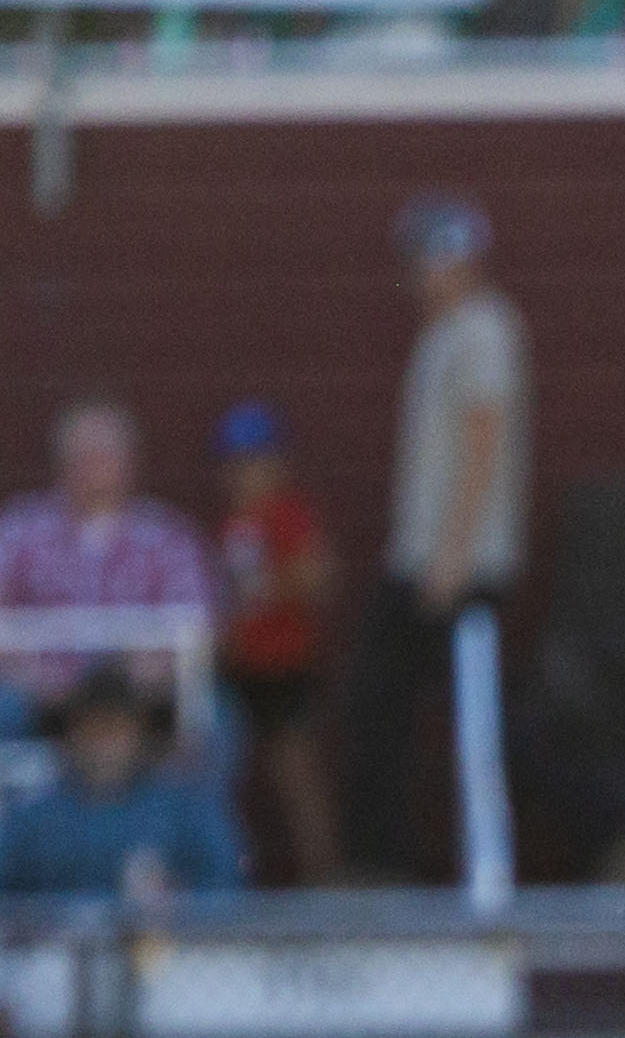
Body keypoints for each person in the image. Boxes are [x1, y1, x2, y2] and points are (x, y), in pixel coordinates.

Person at [339, 196, 532, 884]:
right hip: (427, 558)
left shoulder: (481, 330)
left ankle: (388, 863)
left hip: (452, 564)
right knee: (404, 711)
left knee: (403, 707)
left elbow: (484, 438)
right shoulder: (446, 332)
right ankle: (387, 860)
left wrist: (452, 552)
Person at [0, 398, 216, 706]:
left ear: (129, 462)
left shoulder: (167, 536)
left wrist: (137, 678)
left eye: (103, 457)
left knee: (215, 717)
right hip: (35, 693)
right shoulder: (19, 531)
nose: (92, 469)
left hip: (145, 692)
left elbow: (199, 620)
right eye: (81, 457)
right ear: (59, 464)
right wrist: (40, 679)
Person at [208, 402, 339, 886]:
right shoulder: (231, 525)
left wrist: (272, 585)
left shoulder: (288, 515)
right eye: (235, 465)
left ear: (278, 465)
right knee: (228, 775)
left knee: (296, 777)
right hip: (242, 669)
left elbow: (319, 576)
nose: (245, 475)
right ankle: (233, 875)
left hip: (284, 665)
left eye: (255, 462)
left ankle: (325, 876)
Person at [0, 665, 239, 894]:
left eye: (115, 729)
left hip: (163, 935)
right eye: (90, 729)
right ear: (69, 735)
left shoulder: (185, 810)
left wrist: (177, 894)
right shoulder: (34, 818)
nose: (103, 744)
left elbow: (227, 883)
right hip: (56, 936)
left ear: (141, 735)